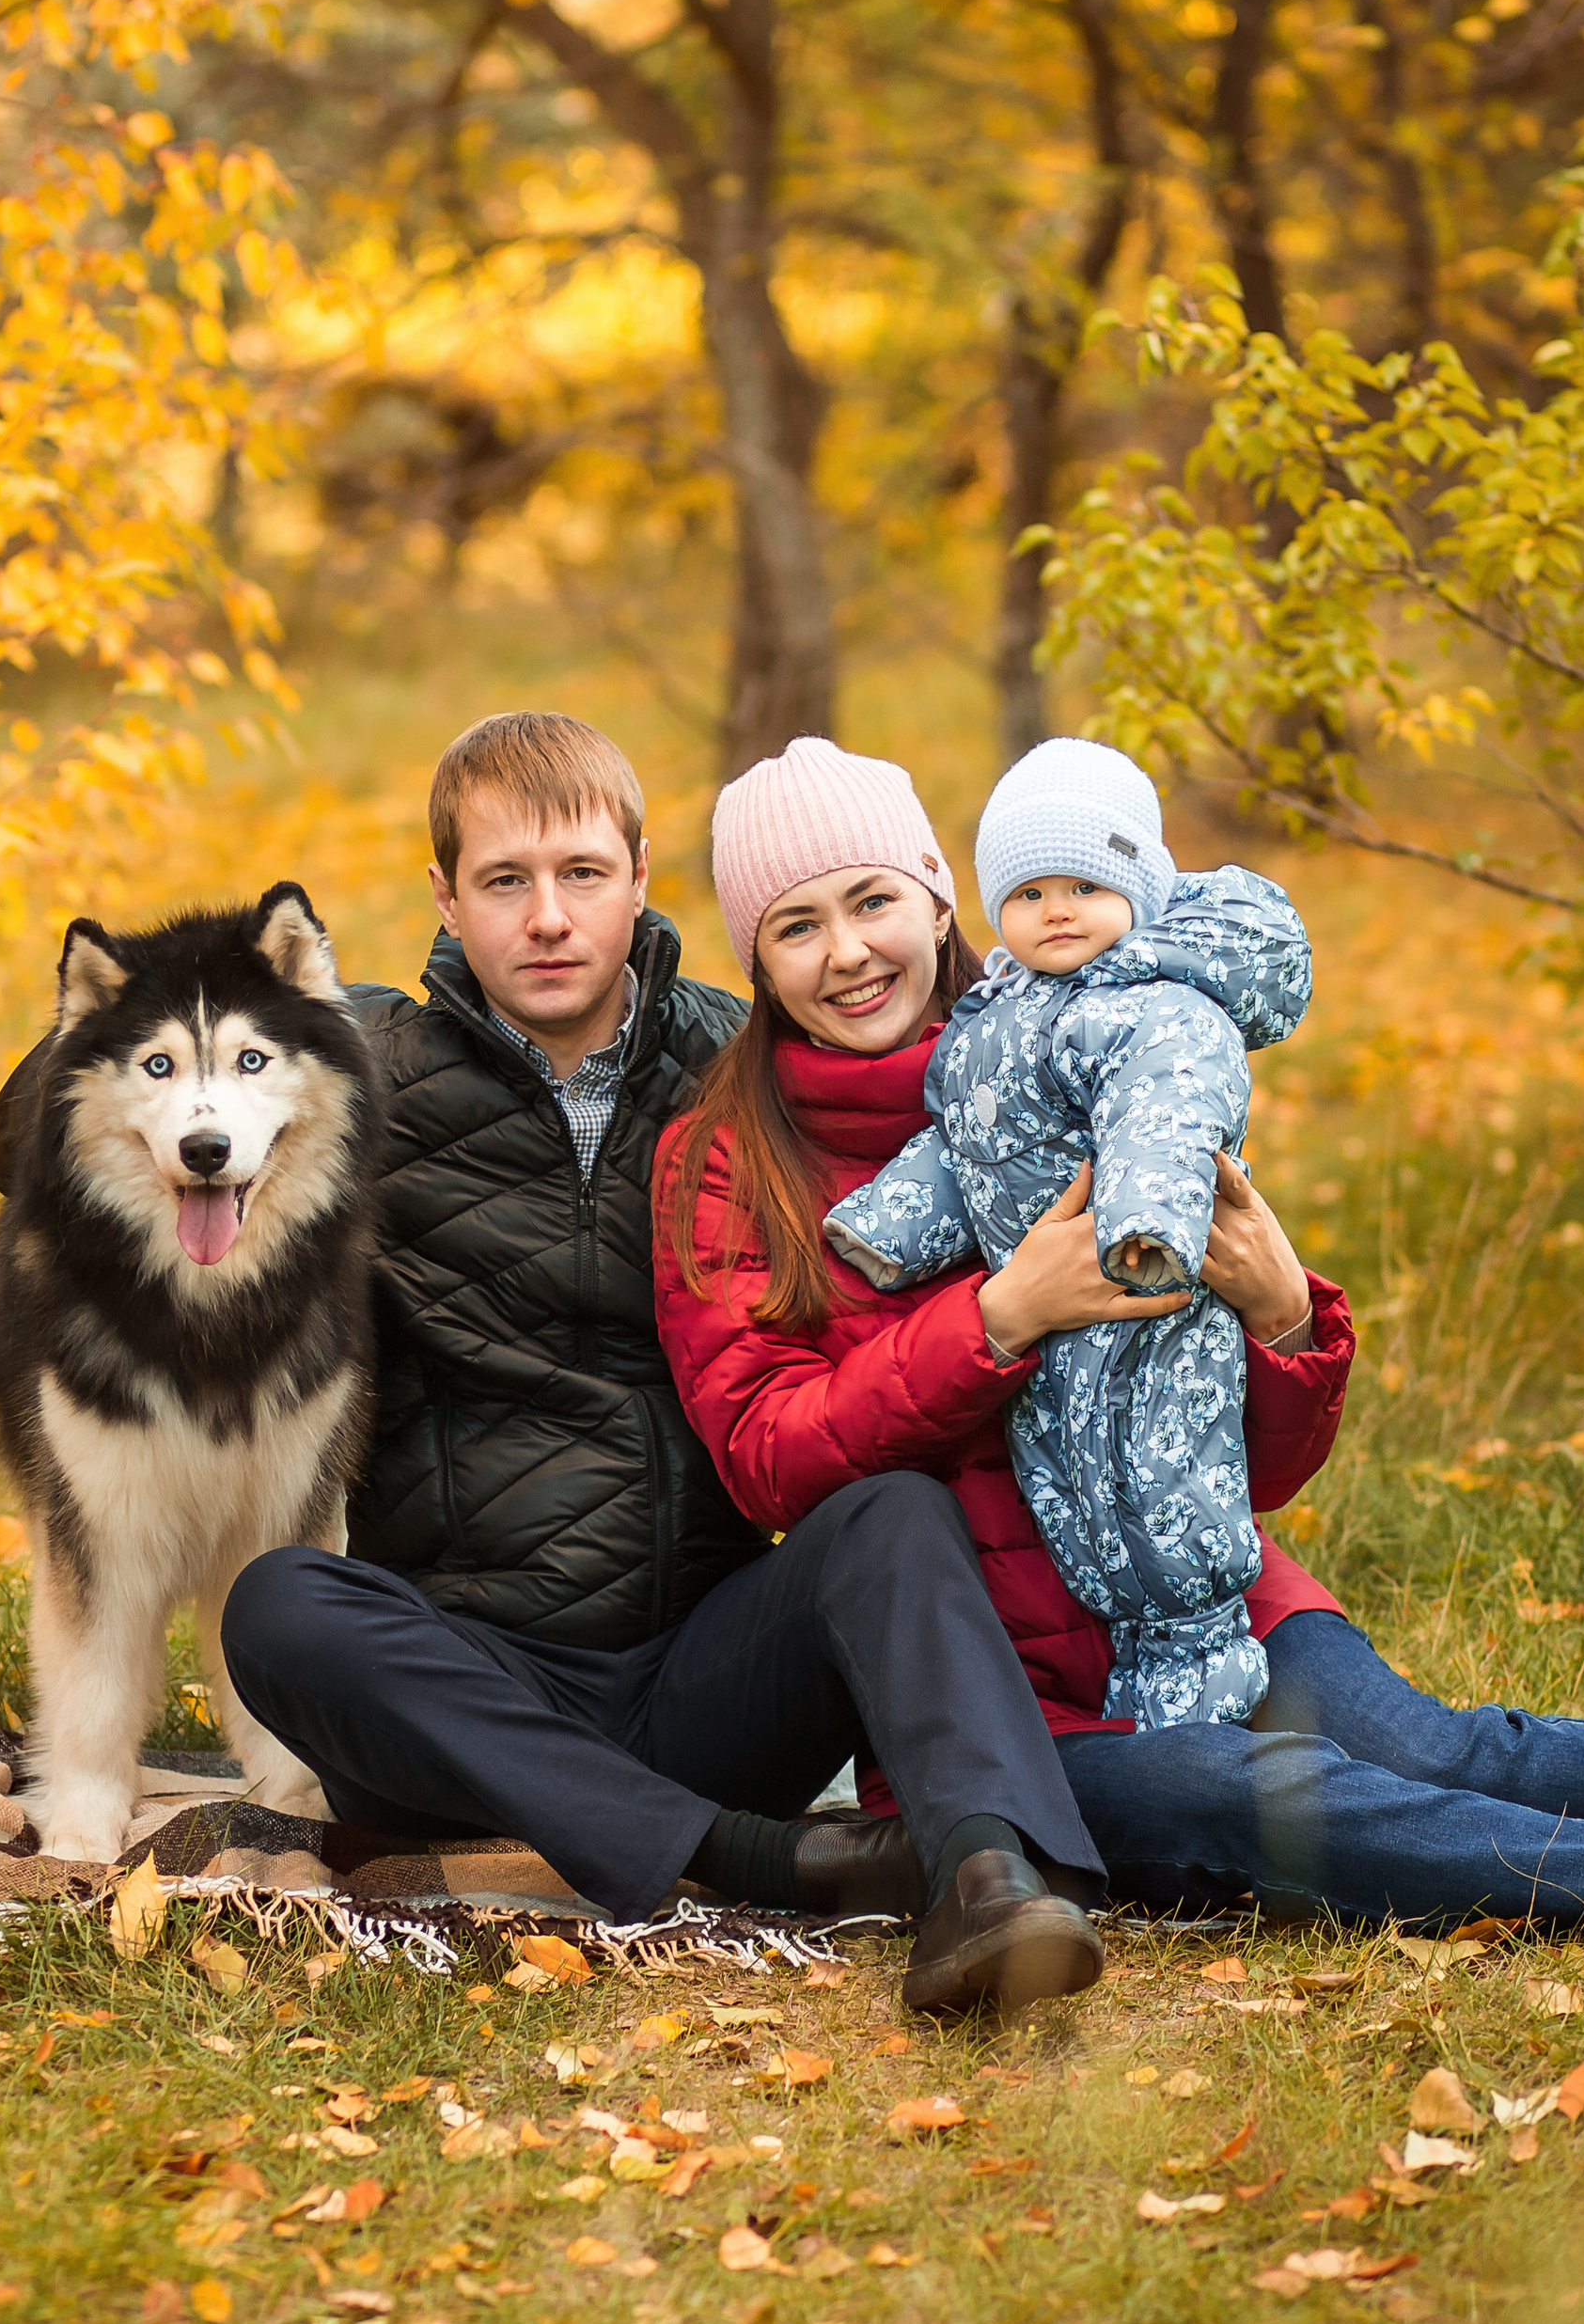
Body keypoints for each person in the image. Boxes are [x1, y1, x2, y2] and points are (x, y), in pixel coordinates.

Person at [655, 734, 1584, 1929]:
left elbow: (1251, 1467)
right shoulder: (723, 1160)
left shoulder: (1100, 1033)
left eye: (873, 901)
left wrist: (1281, 1314)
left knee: (1446, 1757)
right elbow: (767, 1457)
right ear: (753, 956)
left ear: (935, 893)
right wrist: (996, 1320)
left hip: (1209, 1605)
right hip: (1008, 1709)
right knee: (1275, 1796)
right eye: (796, 925)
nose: (848, 952)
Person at [196, 712, 1113, 2014]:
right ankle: (765, 1860)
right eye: (505, 883)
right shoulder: (359, 1079)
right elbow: (35, 1139)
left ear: (639, 877)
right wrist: (259, 1019)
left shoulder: (748, 1068)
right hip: (465, 1696)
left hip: (710, 1673)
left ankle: (989, 1881)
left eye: (581, 875)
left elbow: (974, 1090)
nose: (549, 919)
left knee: (891, 1512)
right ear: (447, 900)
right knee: (282, 1603)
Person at [823, 739, 1314, 1731]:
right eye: (1029, 890)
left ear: (1137, 890)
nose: (1057, 909)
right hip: (1052, 1347)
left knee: (1169, 1499)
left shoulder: (1158, 1009)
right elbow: (960, 1146)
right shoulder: (990, 1017)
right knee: (1081, 1504)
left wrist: (1142, 1221)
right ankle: (1147, 1684)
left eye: (1085, 883)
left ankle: (1198, 1700)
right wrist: (886, 1225)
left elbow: (1165, 1115)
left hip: (1153, 1308)